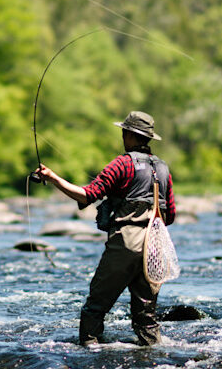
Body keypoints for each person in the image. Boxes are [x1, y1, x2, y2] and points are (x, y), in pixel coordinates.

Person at [37, 110, 176, 346]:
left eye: (124, 132)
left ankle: (90, 353)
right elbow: (170, 216)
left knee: (95, 307)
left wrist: (53, 178)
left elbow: (87, 195)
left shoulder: (122, 164)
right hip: (154, 249)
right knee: (146, 318)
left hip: (125, 245)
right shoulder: (163, 169)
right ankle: (154, 355)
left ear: (129, 135)